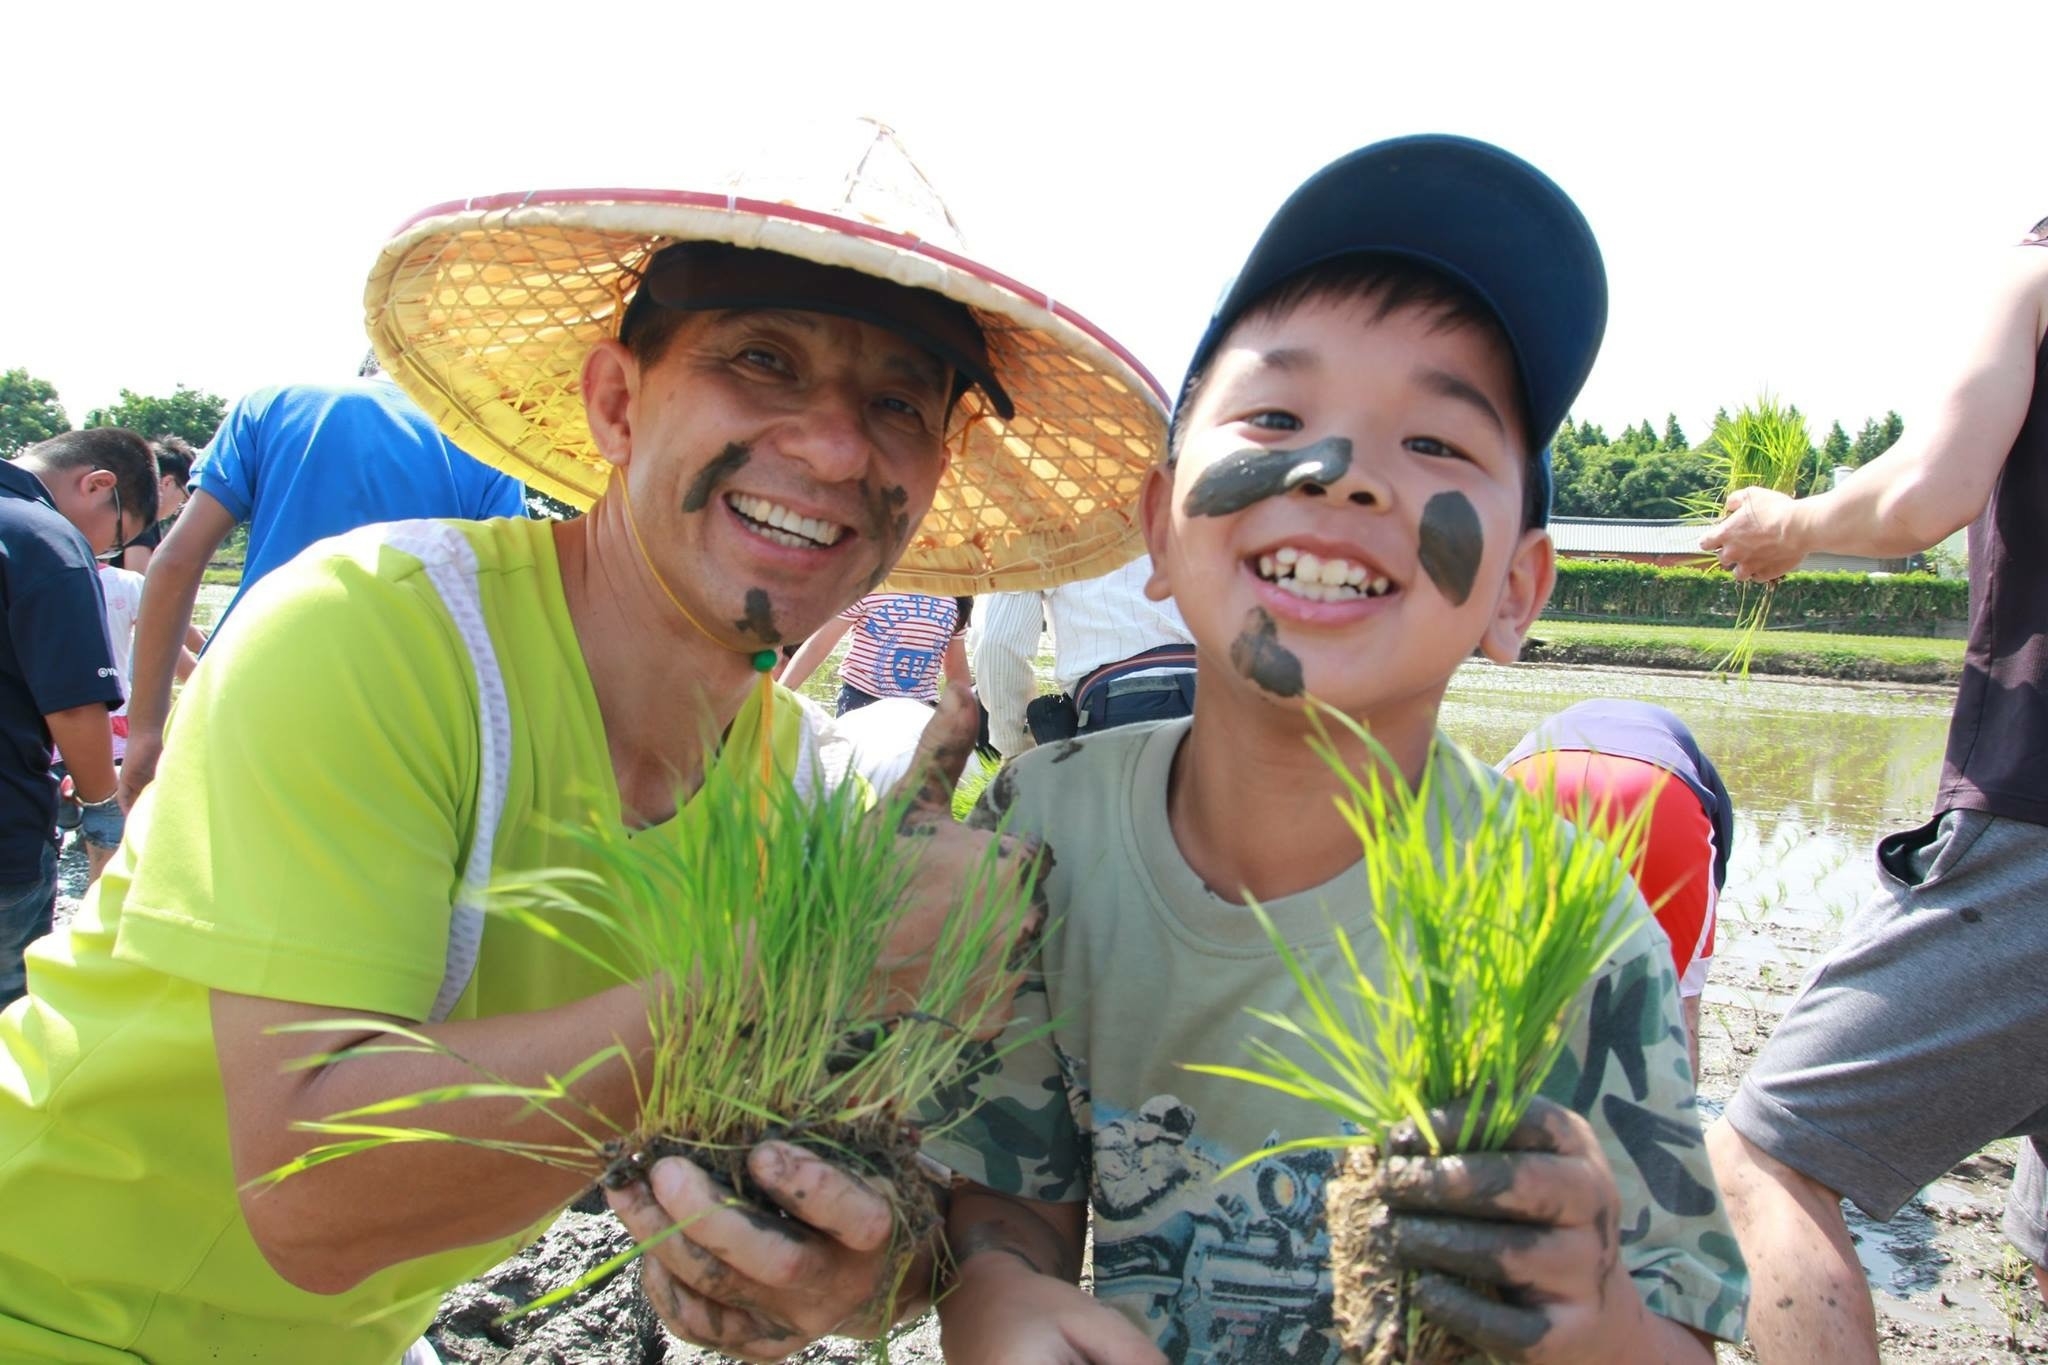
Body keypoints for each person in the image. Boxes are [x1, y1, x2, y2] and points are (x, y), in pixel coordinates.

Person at [0, 121, 1166, 1363]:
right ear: (616, 403)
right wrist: (811, 965)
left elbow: (866, 1187)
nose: (834, 446)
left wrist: (831, 1271)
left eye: (896, 404)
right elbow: (315, 1193)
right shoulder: (380, 632)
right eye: (762, 360)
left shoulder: (799, 793)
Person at [928, 135, 1747, 1364]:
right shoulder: (1043, 835)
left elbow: (1674, 1332)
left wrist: (1597, 1324)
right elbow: (1010, 1200)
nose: (1341, 474)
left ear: (1515, 593)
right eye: (1275, 415)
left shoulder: (1574, 919)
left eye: (1436, 443)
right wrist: (994, 1290)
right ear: (1157, 527)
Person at [1700, 216, 2048, 1359]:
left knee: (1759, 1160)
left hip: (2034, 825)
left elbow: (1927, 488)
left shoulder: (2033, 273)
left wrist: (1793, 524)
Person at [114, 353, 530, 807]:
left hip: (247, 688)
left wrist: (146, 729)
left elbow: (177, 561)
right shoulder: (487, 451)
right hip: (402, 718)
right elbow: (509, 606)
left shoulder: (274, 405)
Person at [0, 428, 157, 1006]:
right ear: (97, 485)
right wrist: (101, 805)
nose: (103, 557)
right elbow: (73, 703)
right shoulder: (42, 537)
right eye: (114, 541)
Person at [1501, 699, 1735, 1076]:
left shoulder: (1527, 747)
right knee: (1676, 1005)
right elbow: (1714, 877)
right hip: (1658, 794)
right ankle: (1673, 1114)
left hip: (1532, 779)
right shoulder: (1702, 781)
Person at [972, 554, 1195, 755]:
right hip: (1209, 690)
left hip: (1116, 707)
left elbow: (998, 643)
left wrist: (1016, 748)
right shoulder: (1182, 522)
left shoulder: (1034, 536)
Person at [780, 590, 970, 713]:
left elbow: (956, 669)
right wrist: (779, 695)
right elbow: (818, 646)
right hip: (862, 701)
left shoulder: (955, 596)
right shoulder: (872, 585)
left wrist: (963, 716)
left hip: (920, 709)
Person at [118, 435, 196, 574]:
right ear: (167, 483)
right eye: (184, 498)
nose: (179, 508)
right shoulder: (142, 520)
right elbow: (141, 580)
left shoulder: (118, 509)